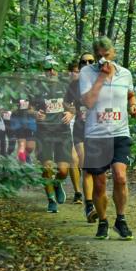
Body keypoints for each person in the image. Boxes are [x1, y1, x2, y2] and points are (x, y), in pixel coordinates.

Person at [80, 38, 136, 240]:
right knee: (99, 183)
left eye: (106, 54)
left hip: (120, 132)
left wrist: (133, 105)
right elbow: (88, 102)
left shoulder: (125, 73)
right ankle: (103, 221)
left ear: (113, 53)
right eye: (99, 55)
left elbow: (130, 94)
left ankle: (121, 220)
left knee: (120, 177)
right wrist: (101, 78)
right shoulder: (87, 73)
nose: (103, 58)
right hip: (96, 135)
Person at [31, 56, 76, 212]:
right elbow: (28, 107)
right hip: (44, 132)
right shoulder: (36, 87)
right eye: (47, 69)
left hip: (63, 131)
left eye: (53, 68)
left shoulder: (66, 85)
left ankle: (57, 184)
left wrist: (71, 113)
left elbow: (75, 105)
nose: (51, 72)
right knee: (47, 168)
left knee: (63, 171)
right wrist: (35, 113)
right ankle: (51, 200)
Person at [72, 53, 96, 217]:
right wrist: (70, 111)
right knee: (85, 165)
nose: (87, 64)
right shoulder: (74, 85)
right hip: (80, 129)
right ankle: (89, 205)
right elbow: (63, 102)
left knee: (95, 170)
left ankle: (93, 199)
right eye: (84, 62)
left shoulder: (102, 82)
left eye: (91, 61)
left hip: (98, 131)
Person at [63, 58, 84, 204]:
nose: (75, 74)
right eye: (73, 71)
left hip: (82, 125)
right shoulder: (62, 85)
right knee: (73, 159)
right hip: (65, 125)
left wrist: (73, 111)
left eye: (77, 71)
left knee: (82, 161)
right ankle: (78, 192)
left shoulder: (87, 85)